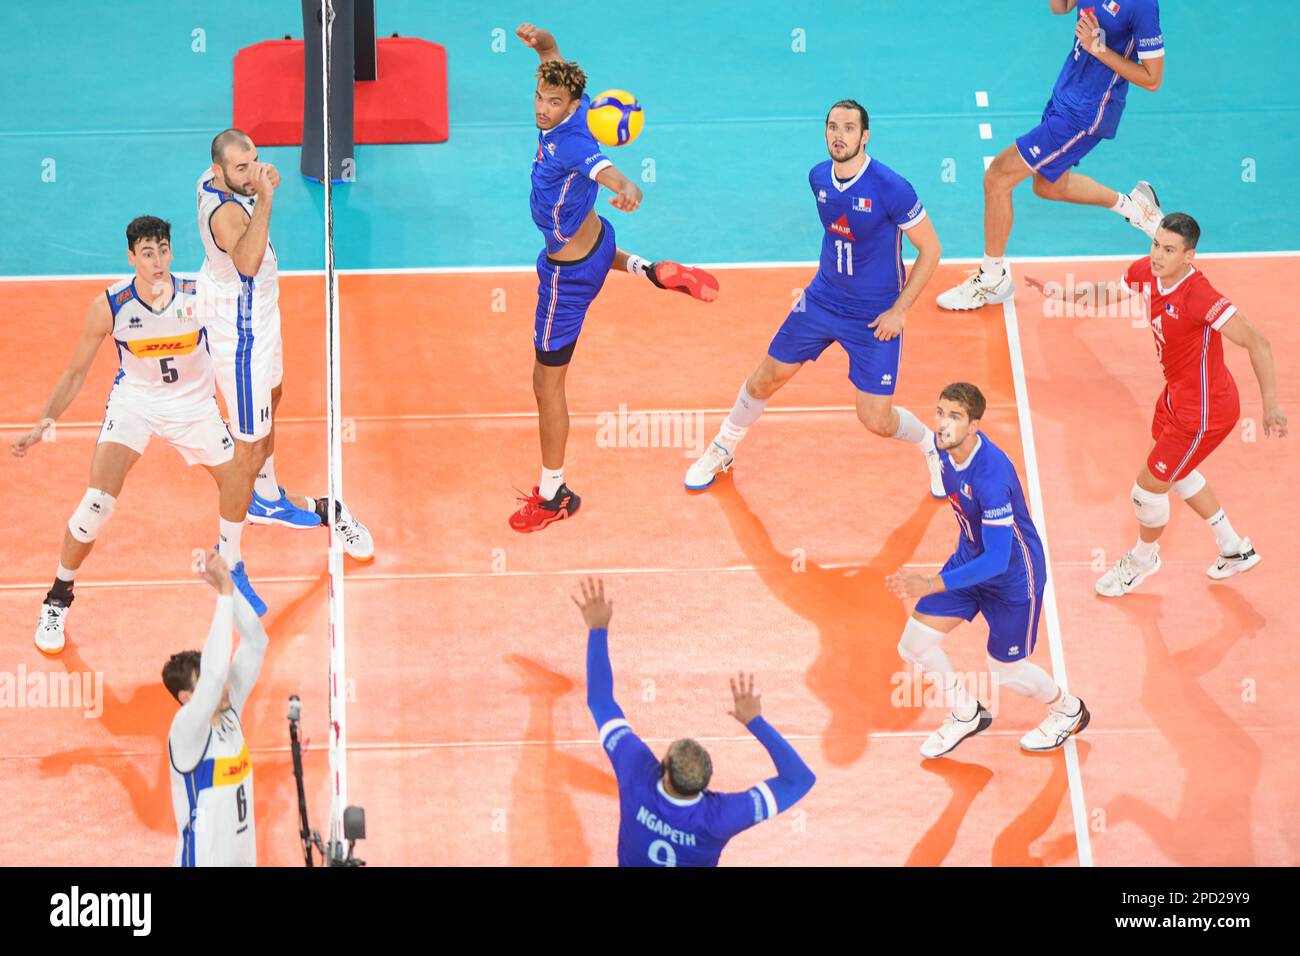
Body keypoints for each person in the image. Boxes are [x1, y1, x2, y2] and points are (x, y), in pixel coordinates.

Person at [509, 23, 720, 532]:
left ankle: (555, 493)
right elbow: (554, 64)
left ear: (572, 105)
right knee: (599, 247)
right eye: (540, 96)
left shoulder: (575, 147)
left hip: (567, 279)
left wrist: (626, 185)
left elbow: (606, 171)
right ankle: (649, 270)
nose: (542, 107)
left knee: (546, 384)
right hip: (600, 241)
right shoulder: (573, 107)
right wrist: (546, 45)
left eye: (552, 101)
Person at [685, 99, 945, 496]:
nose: (838, 135)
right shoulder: (818, 177)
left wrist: (899, 311)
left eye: (848, 128)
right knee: (763, 380)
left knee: (876, 420)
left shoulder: (892, 187)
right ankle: (723, 447)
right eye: (832, 127)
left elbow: (931, 249)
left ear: (865, 135)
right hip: (821, 300)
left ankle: (931, 445)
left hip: (874, 316)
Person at [1024, 213, 1287, 595]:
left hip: (1204, 411)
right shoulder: (1147, 272)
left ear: (1189, 256)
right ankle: (1234, 549)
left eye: (1168, 249)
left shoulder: (1199, 295)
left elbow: (1257, 341)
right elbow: (1110, 291)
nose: (1157, 255)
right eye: (1155, 244)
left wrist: (1271, 405)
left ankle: (1142, 561)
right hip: (1176, 397)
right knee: (1174, 472)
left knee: (1147, 490)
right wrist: (1061, 293)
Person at [12, 217, 238, 654]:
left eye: (163, 250)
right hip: (135, 402)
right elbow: (77, 371)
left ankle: (326, 513)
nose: (157, 261)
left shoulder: (200, 295)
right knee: (96, 503)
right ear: (131, 257)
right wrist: (45, 421)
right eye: (147, 253)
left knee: (244, 494)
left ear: (172, 252)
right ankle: (58, 597)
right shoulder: (111, 305)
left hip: (194, 408)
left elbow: (236, 348)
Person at [197, 129, 373, 611]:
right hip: (241, 334)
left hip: (260, 318)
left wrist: (255, 181)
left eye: (254, 161)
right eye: (241, 168)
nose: (251, 172)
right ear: (218, 172)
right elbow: (249, 262)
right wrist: (268, 195)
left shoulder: (217, 181)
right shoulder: (229, 212)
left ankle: (269, 493)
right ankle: (228, 560)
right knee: (247, 450)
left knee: (274, 398)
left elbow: (243, 190)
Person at [885, 383, 1090, 757]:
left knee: (1004, 671)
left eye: (956, 417)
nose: (944, 424)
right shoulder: (943, 448)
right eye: (940, 413)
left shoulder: (991, 477)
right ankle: (966, 714)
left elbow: (997, 559)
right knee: (914, 645)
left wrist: (931, 582)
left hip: (1013, 578)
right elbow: (909, 428)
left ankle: (1068, 710)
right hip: (969, 561)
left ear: (975, 424)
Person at [936, 0, 1166, 311]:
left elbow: (1152, 79)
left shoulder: (1141, 6)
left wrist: (1099, 50)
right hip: (1065, 96)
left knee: (998, 177)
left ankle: (993, 278)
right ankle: (1135, 207)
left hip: (1086, 113)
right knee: (1048, 185)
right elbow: (1060, 7)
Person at [574, 577, 815, 866]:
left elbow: (600, 701)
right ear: (706, 785)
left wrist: (597, 628)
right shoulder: (722, 816)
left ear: (663, 768)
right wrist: (755, 722)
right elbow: (799, 780)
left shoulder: (636, 772)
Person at [164, 549, 268, 866]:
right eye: (208, 687)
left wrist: (228, 590)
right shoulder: (186, 730)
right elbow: (214, 674)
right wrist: (222, 594)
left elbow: (255, 642)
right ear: (185, 698)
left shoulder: (229, 712)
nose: (225, 688)